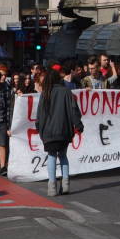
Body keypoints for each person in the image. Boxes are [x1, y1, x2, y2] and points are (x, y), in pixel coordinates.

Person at [35, 67, 83, 196]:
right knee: (63, 155)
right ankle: (66, 184)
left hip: (49, 132)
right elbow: (74, 110)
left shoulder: (45, 93)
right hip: (64, 130)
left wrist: (39, 128)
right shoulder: (67, 92)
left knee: (51, 155)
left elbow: (39, 114)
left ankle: (52, 187)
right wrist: (78, 125)